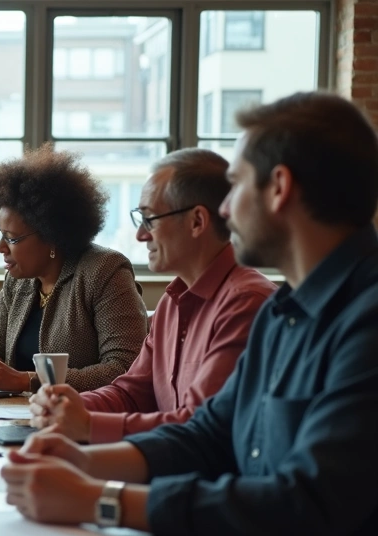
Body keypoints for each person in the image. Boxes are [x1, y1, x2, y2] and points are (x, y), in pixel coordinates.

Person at [2, 92, 378, 536]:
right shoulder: (285, 310)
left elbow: (302, 504)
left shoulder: (365, 318)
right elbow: (209, 433)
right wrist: (85, 463)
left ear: (279, 189)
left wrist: (101, 500)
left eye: (237, 185)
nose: (225, 208)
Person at [28, 149, 276, 443]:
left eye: (150, 219)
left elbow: (199, 426)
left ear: (198, 222)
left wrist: (88, 425)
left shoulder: (246, 303)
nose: (140, 236)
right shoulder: (173, 302)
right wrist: (67, 405)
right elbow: (131, 393)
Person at [0, 146, 148, 394]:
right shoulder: (19, 279)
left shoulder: (105, 271)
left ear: (52, 236)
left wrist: (28, 380)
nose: (0, 247)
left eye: (12, 239)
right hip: (16, 416)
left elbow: (123, 369)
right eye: (1, 235)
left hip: (80, 420)